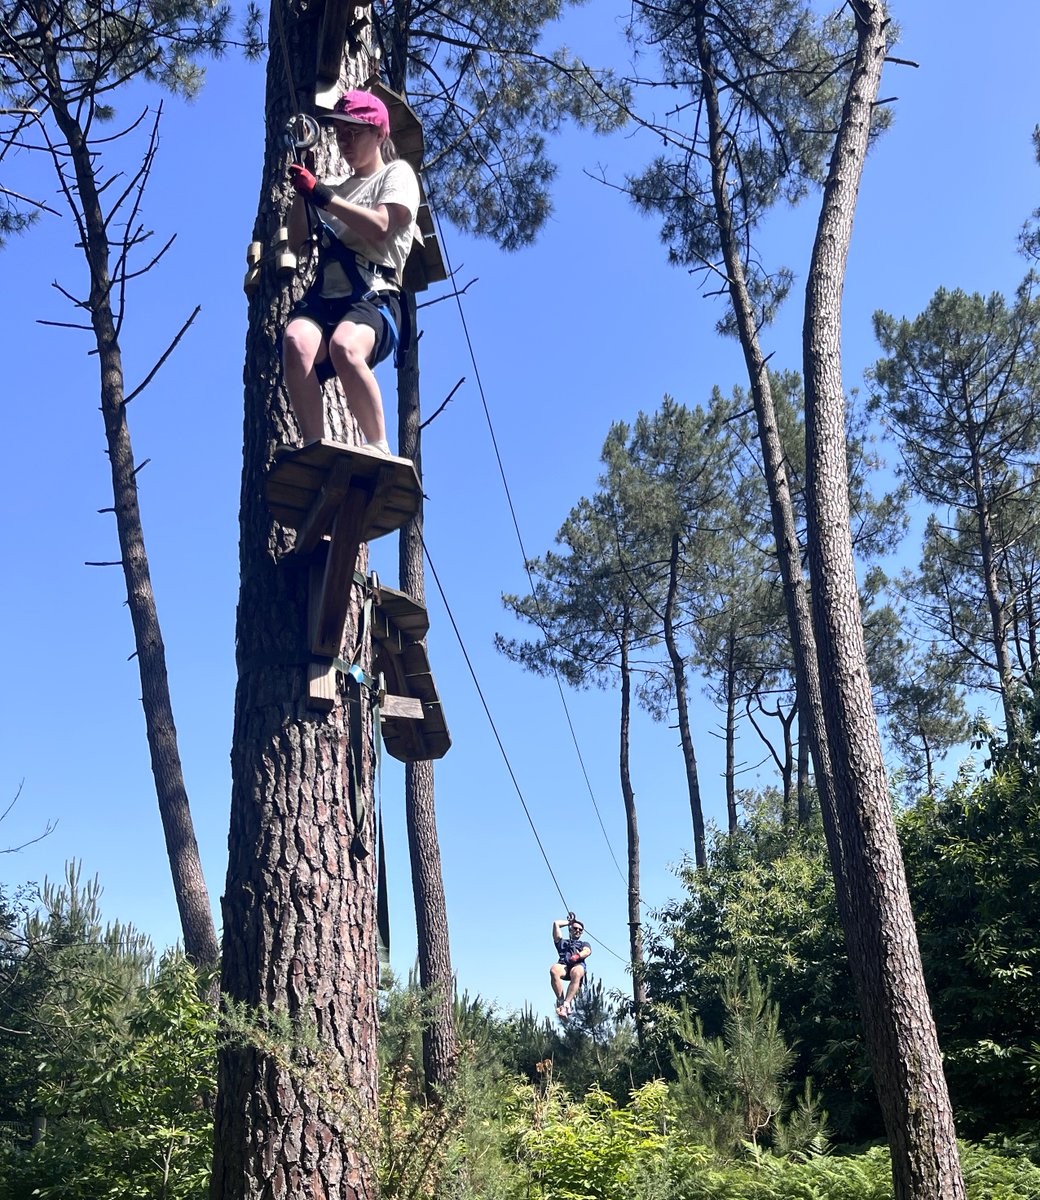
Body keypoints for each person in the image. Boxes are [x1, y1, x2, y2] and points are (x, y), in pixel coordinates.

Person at [282, 90, 420, 457]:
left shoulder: (397, 175)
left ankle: (378, 444)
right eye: (340, 133)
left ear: (380, 134)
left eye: (354, 132)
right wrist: (304, 189)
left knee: (344, 346)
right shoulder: (336, 187)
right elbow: (296, 240)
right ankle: (313, 445)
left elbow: (380, 226)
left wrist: (323, 197)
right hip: (327, 298)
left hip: (373, 295)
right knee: (295, 342)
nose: (344, 141)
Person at [550, 913, 591, 1019]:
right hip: (564, 966)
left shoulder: (583, 943)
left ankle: (567, 1004)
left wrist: (578, 955)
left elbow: (587, 951)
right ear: (570, 929)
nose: (578, 931)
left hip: (577, 965)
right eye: (575, 928)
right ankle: (561, 1001)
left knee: (577, 972)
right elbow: (556, 924)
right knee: (554, 970)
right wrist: (570, 922)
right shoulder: (562, 942)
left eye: (580, 930)